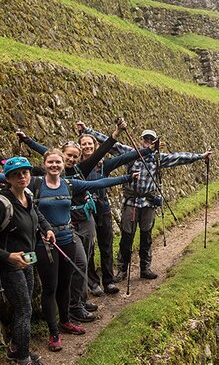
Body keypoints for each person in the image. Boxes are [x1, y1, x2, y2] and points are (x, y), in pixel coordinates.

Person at [1, 149, 139, 352]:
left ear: (62, 163)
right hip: (44, 246)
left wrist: (127, 177)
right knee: (50, 288)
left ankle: (65, 320)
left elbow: (98, 183)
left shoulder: (69, 184)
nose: (55, 165)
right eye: (51, 162)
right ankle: (53, 332)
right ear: (45, 163)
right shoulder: (34, 183)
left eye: (58, 162)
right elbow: (9, 176)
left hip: (66, 239)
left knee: (65, 284)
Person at [18, 120, 127, 322]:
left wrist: (126, 176)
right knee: (64, 274)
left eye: (73, 157)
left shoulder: (76, 174)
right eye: (67, 156)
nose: (67, 160)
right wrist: (27, 140)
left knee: (81, 263)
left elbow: (100, 171)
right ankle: (69, 311)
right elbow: (20, 169)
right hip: (50, 235)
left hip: (76, 225)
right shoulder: (40, 178)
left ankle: (76, 304)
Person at [78, 123, 211, 280]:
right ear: (141, 140)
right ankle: (122, 269)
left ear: (155, 141)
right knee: (127, 236)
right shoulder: (130, 152)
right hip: (131, 201)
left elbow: (180, 157)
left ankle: (145, 268)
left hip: (148, 203)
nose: (148, 141)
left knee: (146, 235)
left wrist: (201, 156)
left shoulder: (159, 158)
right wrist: (87, 131)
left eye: (151, 139)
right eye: (146, 139)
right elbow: (109, 144)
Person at [77, 133, 152, 295]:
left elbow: (125, 157)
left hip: (103, 209)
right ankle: (93, 283)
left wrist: (147, 151)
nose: (87, 147)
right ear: (80, 147)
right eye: (84, 144)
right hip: (85, 212)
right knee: (88, 248)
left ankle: (109, 282)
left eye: (90, 144)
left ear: (95, 146)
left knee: (106, 246)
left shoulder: (104, 165)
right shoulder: (76, 167)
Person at [0, 157, 54, 365]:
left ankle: (16, 348)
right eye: (16, 174)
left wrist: (47, 228)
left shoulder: (28, 197)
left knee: (25, 305)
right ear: (8, 179)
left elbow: (38, 215)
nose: (22, 177)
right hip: (10, 265)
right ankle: (23, 358)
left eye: (25, 172)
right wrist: (8, 256)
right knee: (24, 309)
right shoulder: (3, 203)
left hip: (28, 260)